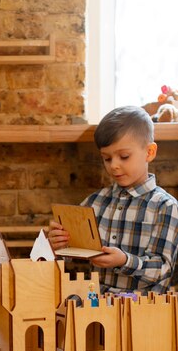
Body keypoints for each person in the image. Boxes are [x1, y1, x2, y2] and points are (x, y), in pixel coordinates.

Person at [48, 105, 178, 295]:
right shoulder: (94, 202)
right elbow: (65, 257)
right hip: (95, 307)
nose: (114, 166)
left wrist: (125, 261)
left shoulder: (165, 207)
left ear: (149, 152)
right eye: (107, 159)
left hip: (143, 314)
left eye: (124, 156)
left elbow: (162, 269)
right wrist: (56, 246)